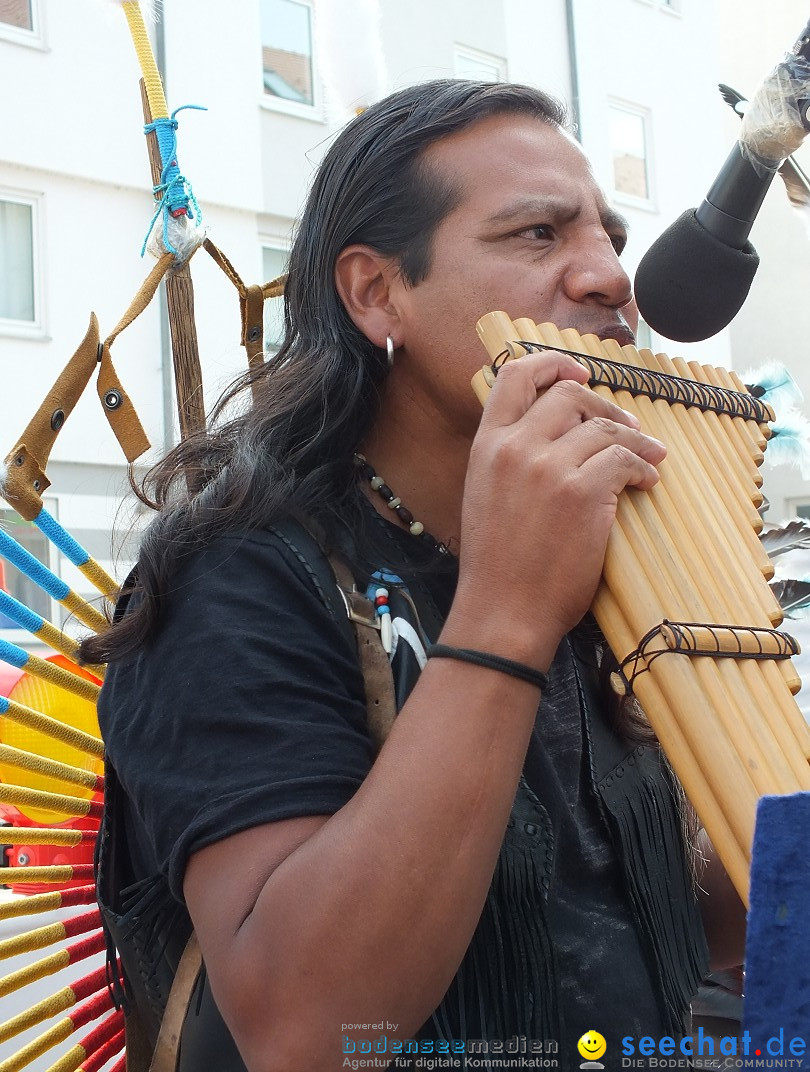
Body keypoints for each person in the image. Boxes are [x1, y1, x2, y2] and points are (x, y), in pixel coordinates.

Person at [88, 80, 746, 1072]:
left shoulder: (623, 557)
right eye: (537, 234)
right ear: (375, 292)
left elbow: (628, 917)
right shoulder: (235, 577)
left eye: (609, 236)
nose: (612, 275)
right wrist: (509, 608)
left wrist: (759, 859)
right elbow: (304, 1024)